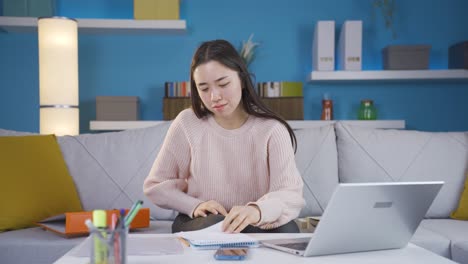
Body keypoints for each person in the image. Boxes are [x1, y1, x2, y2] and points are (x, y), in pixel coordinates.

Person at [143, 39, 305, 234]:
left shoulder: (272, 129)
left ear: (242, 80)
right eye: (204, 88)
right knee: (217, 226)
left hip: (255, 221)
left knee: (288, 228)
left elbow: (290, 194)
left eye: (223, 84)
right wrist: (194, 205)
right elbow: (155, 186)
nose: (214, 97)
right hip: (203, 221)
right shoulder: (187, 122)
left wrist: (256, 211)